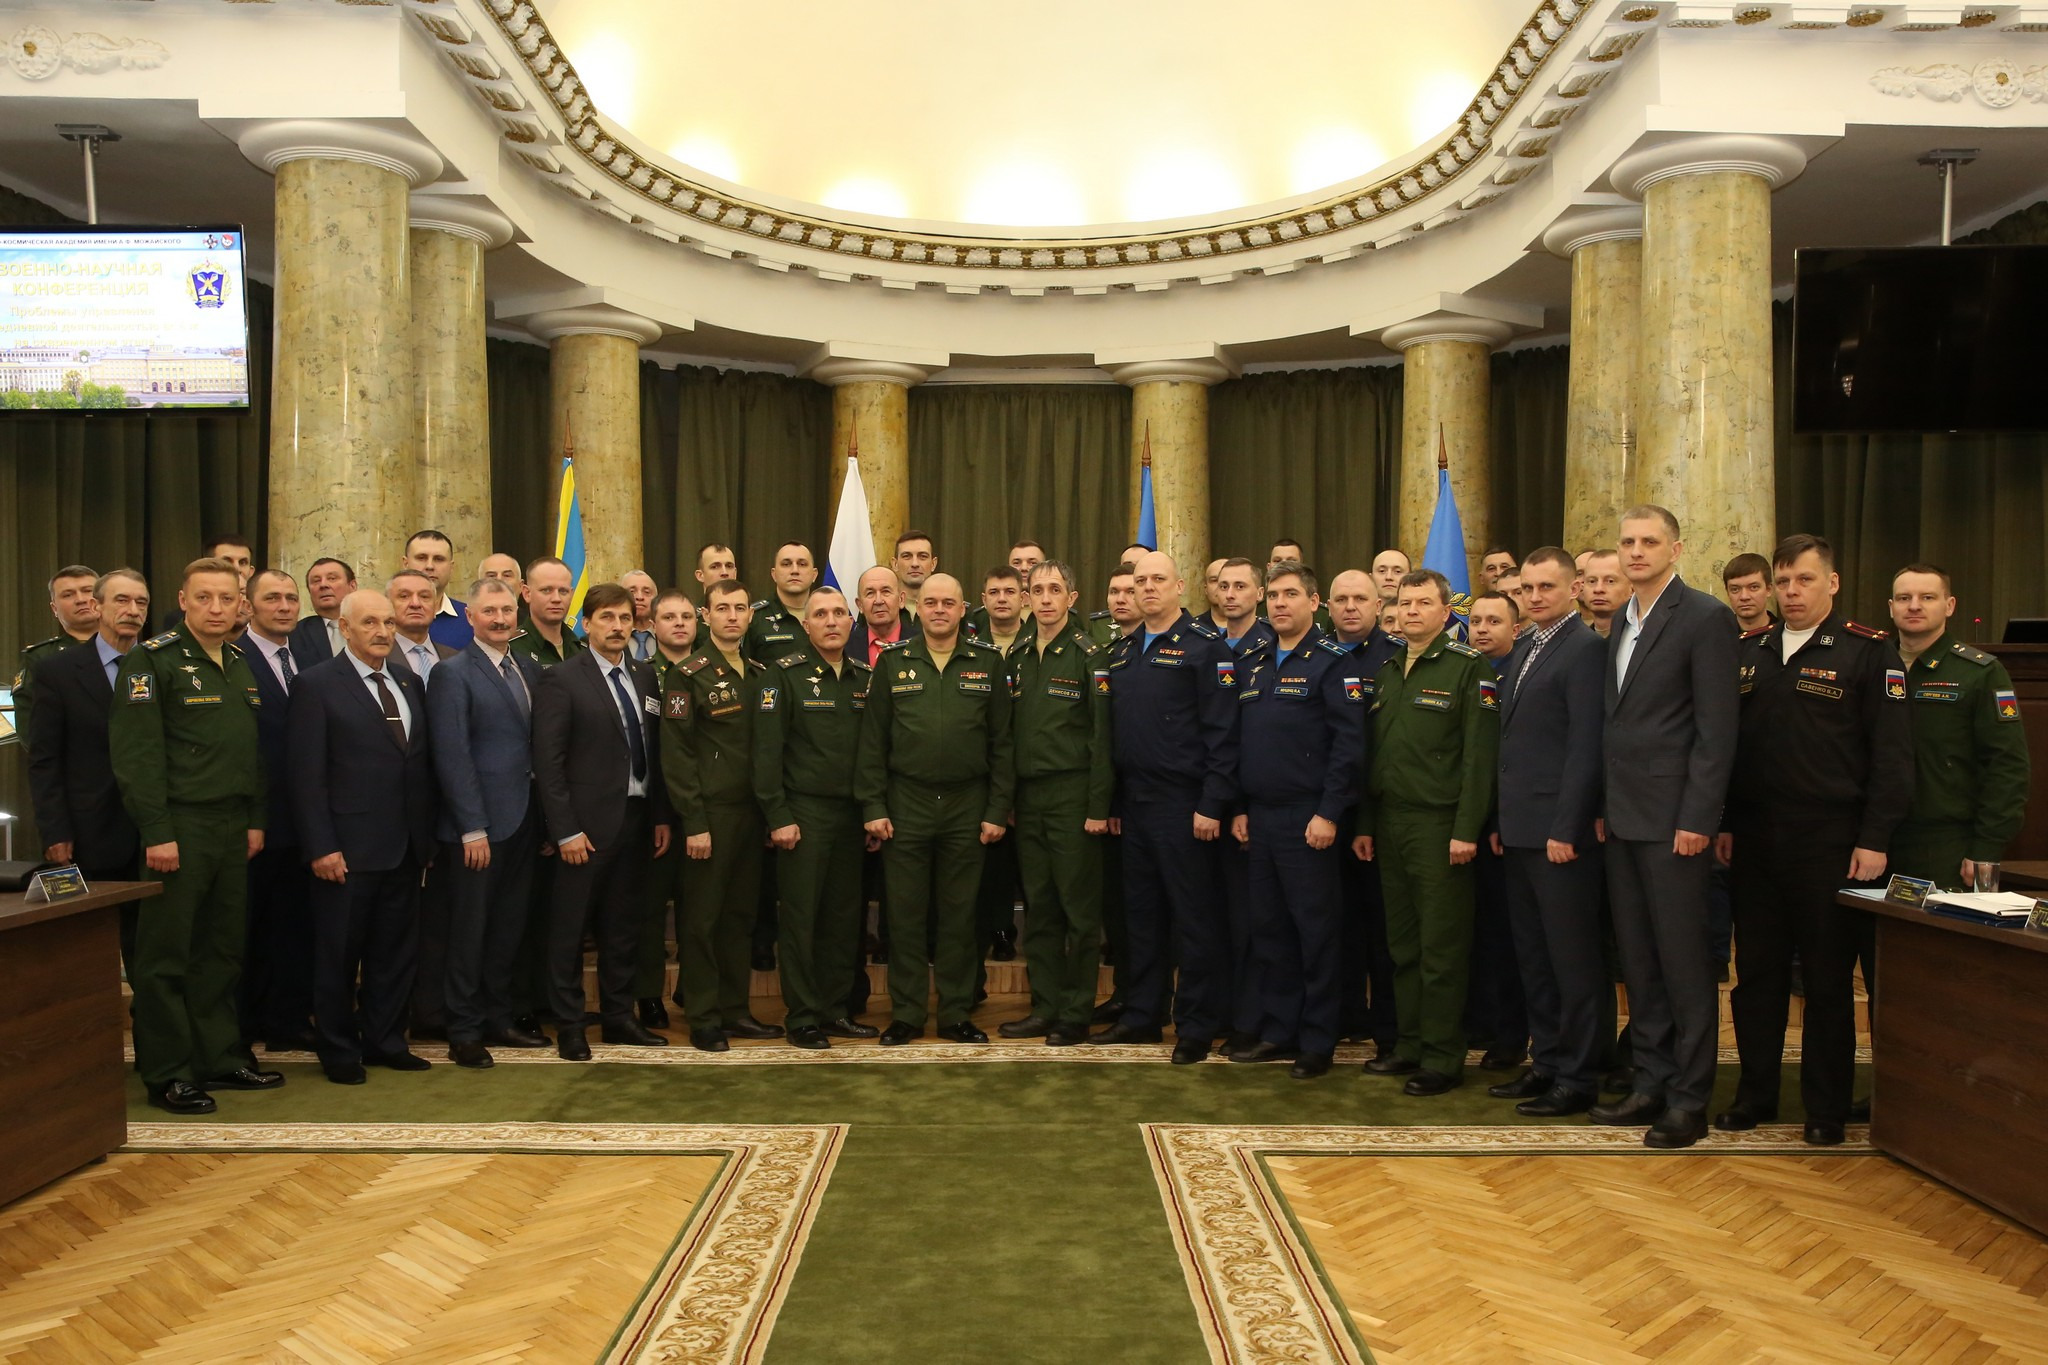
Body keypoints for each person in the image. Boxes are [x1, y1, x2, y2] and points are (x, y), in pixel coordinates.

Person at [1717, 533, 1914, 1147]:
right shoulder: (1750, 651)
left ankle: (1824, 1107)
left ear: (1831, 583)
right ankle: (1755, 1094)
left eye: (1804, 580)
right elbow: (1729, 750)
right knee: (1757, 976)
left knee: (1827, 981)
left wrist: (1875, 837)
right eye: (1783, 582)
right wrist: (1723, 821)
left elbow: (1893, 758)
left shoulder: (1866, 653)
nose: (1791, 592)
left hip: (1831, 841)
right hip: (1753, 839)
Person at [1591, 505, 1739, 1149]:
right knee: (1640, 963)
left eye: (1649, 542)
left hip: (1676, 822)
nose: (1636, 552)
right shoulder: (1618, 620)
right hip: (1622, 819)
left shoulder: (1705, 617)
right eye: (1627, 543)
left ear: (1676, 550)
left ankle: (1688, 1098)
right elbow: (1615, 727)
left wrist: (1698, 818)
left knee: (1682, 964)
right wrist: (1601, 807)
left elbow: (1716, 732)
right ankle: (1650, 1080)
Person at [111, 557, 279, 1114]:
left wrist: (255, 817)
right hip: (179, 826)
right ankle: (167, 1072)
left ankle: (219, 1056)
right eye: (203, 597)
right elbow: (137, 756)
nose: (215, 608)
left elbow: (248, 750)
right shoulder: (152, 660)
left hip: (232, 827)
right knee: (166, 956)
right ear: (183, 600)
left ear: (240, 606)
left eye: (225, 599)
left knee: (221, 950)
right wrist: (157, 831)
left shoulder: (236, 660)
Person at [1354, 568, 1500, 1096]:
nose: (1412, 611)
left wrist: (1467, 829)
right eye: (1404, 603)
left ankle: (1441, 1055)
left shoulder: (1468, 668)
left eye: (1423, 603)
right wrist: (1367, 822)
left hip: (1442, 826)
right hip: (1391, 822)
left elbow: (1480, 760)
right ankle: (1409, 1044)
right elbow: (1377, 756)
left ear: (1446, 612)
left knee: (1441, 947)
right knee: (1403, 945)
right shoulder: (1389, 668)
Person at [855, 573, 1015, 1044]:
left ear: (965, 609)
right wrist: (873, 804)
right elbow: (873, 742)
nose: (940, 609)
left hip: (968, 805)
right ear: (916, 608)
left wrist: (997, 807)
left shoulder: (987, 663)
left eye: (949, 602)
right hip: (907, 803)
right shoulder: (893, 662)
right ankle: (905, 1014)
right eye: (931, 602)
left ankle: (956, 1014)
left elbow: (1003, 744)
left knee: (960, 915)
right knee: (904, 915)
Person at [1093, 551, 1239, 1062]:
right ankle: (1142, 1015)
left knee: (1193, 920)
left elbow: (1224, 734)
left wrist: (1213, 803)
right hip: (1134, 803)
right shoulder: (1123, 649)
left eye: (1158, 580)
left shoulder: (1206, 649)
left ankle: (1196, 1026)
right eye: (1140, 581)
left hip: (1186, 805)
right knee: (1142, 918)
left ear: (1181, 587)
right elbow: (1115, 734)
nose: (1147, 588)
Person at [289, 589, 439, 1084]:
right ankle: (337, 1050)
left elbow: (416, 764)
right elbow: (306, 776)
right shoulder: (315, 685)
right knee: (338, 954)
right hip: (346, 850)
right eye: (370, 623)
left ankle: (386, 1041)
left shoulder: (407, 680)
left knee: (394, 954)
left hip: (405, 846)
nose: (382, 631)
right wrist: (321, 846)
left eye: (388, 623)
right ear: (344, 629)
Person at [1228, 562, 1364, 1079]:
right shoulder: (1255, 661)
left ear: (1314, 602)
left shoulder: (1333, 663)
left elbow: (1348, 746)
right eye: (1275, 596)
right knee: (1270, 930)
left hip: (1310, 819)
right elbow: (1242, 740)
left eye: (1291, 595)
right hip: (1260, 816)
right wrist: (1239, 806)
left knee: (1316, 932)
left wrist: (1329, 812)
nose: (1280, 604)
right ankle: (1279, 1029)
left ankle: (1317, 1040)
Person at [1488, 547, 1608, 1117]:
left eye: (1545, 587)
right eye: (1526, 589)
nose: (1534, 597)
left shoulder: (1584, 650)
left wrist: (1568, 826)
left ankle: (1581, 1075)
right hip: (1520, 829)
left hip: (1560, 837)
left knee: (1574, 962)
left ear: (1575, 589)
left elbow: (1586, 748)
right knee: (1534, 958)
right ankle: (1549, 1062)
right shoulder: (1527, 647)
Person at [533, 583, 675, 1060]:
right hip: (584, 828)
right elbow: (548, 764)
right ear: (586, 623)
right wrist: (565, 829)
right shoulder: (562, 678)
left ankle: (618, 1018)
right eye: (606, 618)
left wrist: (658, 816)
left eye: (624, 618)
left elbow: (652, 752)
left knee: (623, 927)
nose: (617, 627)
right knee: (570, 930)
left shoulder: (644, 675)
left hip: (637, 821)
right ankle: (571, 1024)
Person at [427, 578, 549, 1068]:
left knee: (507, 928)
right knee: (470, 931)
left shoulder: (530, 670)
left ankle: (499, 1017)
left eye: (506, 610)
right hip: (476, 830)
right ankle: (463, 1028)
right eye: (489, 612)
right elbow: (452, 755)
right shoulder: (452, 674)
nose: (500, 619)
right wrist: (471, 827)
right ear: (470, 617)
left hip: (523, 822)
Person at [754, 586, 880, 1049]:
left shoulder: (865, 677)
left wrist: (870, 811)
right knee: (803, 919)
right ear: (805, 626)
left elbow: (872, 753)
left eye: (839, 614)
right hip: (802, 815)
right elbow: (766, 755)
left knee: (843, 919)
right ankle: (802, 1015)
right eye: (821, 614)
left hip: (851, 817)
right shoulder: (781, 676)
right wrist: (778, 816)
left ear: (852, 623)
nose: (831, 621)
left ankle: (834, 1009)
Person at [997, 561, 1113, 1046]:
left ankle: (1074, 1012)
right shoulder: (1018, 656)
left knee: (1078, 912)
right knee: (1040, 909)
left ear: (1072, 596)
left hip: (1072, 797)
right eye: (1036, 590)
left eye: (1054, 590)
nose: (1044, 598)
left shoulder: (1090, 656)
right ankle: (1044, 1006)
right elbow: (1004, 735)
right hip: (1029, 798)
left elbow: (1103, 738)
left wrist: (1097, 806)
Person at [663, 579, 780, 1051]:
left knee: (740, 917)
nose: (732, 616)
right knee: (703, 920)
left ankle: (735, 1009)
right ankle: (704, 1015)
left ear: (750, 616)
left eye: (739, 608)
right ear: (705, 616)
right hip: (710, 815)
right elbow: (677, 754)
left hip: (751, 815)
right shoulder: (687, 674)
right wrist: (694, 821)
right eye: (721, 608)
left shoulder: (758, 674)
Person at [27, 569, 148, 984]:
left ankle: (153, 1037)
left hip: (154, 830)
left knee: (149, 946)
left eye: (141, 603)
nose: (132, 611)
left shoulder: (161, 666)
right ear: (98, 607)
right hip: (90, 828)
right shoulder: (58, 671)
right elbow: (45, 759)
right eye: (121, 601)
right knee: (88, 949)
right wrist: (54, 830)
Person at [1886, 563, 2031, 890]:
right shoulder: (1872, 664)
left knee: (1934, 941)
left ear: (1949, 605)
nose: (1914, 606)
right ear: (1891, 607)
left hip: (1946, 843)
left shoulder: (1980, 672)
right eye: (1904, 597)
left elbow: (2007, 766)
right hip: (1873, 840)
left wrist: (1987, 846)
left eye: (1927, 597)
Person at [238, 570, 316, 1053]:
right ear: (249, 606)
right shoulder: (233, 660)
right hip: (253, 824)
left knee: (296, 928)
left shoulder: (307, 658)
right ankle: (244, 1028)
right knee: (249, 932)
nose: (284, 606)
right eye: (273, 598)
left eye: (291, 598)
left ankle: (288, 1020)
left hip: (304, 822)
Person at [1462, 590, 1528, 1071]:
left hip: (1506, 829)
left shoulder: (1520, 673)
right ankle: (1479, 1022)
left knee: (1509, 939)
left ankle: (1511, 1034)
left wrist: (1501, 820)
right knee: (1475, 935)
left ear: (1515, 628)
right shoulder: (1465, 672)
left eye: (1493, 621)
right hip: (1465, 825)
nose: (1482, 629)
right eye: (1475, 620)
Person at [635, 589, 698, 1026]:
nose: (679, 623)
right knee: (649, 913)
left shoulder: (713, 673)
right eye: (669, 617)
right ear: (652, 626)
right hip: (653, 811)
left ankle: (693, 988)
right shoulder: (640, 675)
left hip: (702, 811)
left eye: (686, 616)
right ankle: (648, 995)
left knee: (701, 909)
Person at [13, 563, 100, 740]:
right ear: (54, 608)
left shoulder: (130, 650)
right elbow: (31, 729)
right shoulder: (40, 658)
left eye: (87, 591)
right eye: (68, 595)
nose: (81, 599)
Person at [744, 541, 818, 662]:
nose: (795, 570)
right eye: (786, 564)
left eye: (802, 564)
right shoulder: (754, 617)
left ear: (814, 575)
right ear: (774, 574)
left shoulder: (827, 616)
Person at [403, 529, 472, 651]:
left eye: (439, 559)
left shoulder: (471, 619)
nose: (429, 566)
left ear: (451, 567)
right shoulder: (383, 616)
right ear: (405, 563)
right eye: (421, 557)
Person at [511, 557, 585, 667]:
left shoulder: (583, 651)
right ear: (527, 593)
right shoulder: (511, 649)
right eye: (546, 590)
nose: (556, 599)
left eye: (563, 591)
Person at [386, 569, 456, 684]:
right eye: (404, 596)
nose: (415, 604)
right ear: (387, 605)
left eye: (424, 596)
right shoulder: (377, 657)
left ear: (435, 608)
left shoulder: (455, 658)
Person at [291, 557, 356, 665]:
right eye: (316, 581)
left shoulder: (377, 627)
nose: (323, 585)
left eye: (332, 578)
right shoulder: (295, 635)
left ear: (352, 586)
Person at [850, 564, 918, 665]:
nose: (878, 601)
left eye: (886, 591)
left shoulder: (921, 644)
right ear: (860, 605)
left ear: (901, 599)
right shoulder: (845, 648)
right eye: (870, 593)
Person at [1212, 559, 1273, 654]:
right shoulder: (1208, 648)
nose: (1229, 595)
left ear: (1260, 594)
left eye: (1240, 587)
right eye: (1224, 587)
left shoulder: (1270, 650)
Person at [1721, 553, 1777, 634]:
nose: (1744, 597)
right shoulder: (1716, 635)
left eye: (1753, 587)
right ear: (1727, 592)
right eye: (1735, 589)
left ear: (1768, 589)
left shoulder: (1783, 635)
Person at [1577, 549, 1624, 637]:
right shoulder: (1575, 641)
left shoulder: (1643, 638)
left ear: (1632, 589)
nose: (1598, 589)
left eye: (1610, 581)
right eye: (1592, 581)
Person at [621, 569, 660, 662]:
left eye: (646, 592)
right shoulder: (611, 636)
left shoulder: (667, 634)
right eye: (632, 591)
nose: (639, 597)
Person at [893, 530, 938, 604]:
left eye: (923, 556)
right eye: (906, 556)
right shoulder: (884, 610)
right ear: (895, 564)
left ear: (933, 564)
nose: (915, 564)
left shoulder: (948, 610)